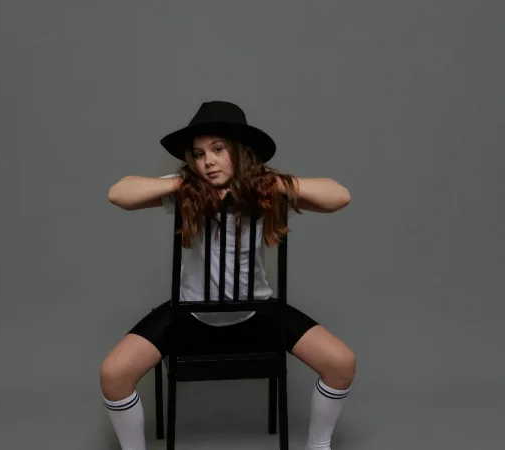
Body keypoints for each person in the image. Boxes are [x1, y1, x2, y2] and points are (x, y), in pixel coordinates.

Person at [102, 101, 356, 450]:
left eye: (218, 149)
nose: (208, 161)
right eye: (198, 154)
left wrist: (269, 183)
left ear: (240, 151)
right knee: (113, 374)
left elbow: (339, 196)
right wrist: (184, 183)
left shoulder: (266, 190)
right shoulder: (186, 191)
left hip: (257, 313)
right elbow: (119, 193)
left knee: (341, 363)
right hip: (190, 314)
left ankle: (318, 447)